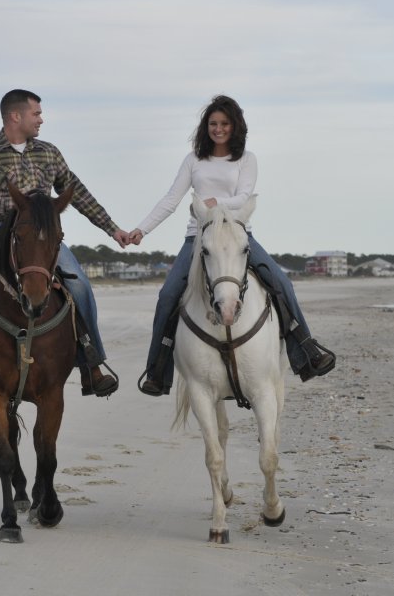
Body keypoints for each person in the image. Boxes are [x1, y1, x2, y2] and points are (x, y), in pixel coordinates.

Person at [0, 89, 127, 398]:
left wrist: (113, 229)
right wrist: (21, 206)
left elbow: (78, 192)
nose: (41, 119)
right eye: (37, 114)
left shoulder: (49, 152)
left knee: (82, 286)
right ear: (15, 116)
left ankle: (92, 363)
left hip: (42, 236)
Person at [128, 95, 335, 396]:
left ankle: (306, 350)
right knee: (168, 293)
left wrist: (214, 202)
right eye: (213, 123)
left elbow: (244, 197)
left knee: (282, 282)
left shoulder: (247, 159)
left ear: (235, 126)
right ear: (205, 127)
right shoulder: (193, 160)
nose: (218, 129)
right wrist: (141, 229)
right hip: (199, 237)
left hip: (239, 234)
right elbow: (172, 199)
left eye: (224, 123)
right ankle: (157, 370)